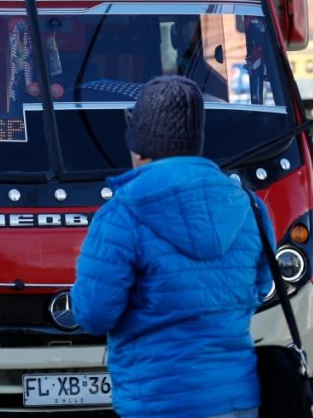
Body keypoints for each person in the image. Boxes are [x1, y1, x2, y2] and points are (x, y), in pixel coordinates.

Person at [71, 75, 273, 418]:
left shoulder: (121, 214)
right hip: (238, 398)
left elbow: (93, 314)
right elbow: (259, 289)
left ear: (138, 144)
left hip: (159, 399)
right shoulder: (248, 205)